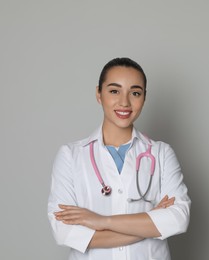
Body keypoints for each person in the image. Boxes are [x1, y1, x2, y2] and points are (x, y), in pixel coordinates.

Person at [47, 57, 191, 260]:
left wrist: (102, 222)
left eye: (135, 93)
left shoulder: (161, 153)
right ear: (99, 94)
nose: (124, 102)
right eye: (114, 91)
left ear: (144, 97)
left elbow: (177, 220)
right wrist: (150, 223)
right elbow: (65, 232)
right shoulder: (70, 156)